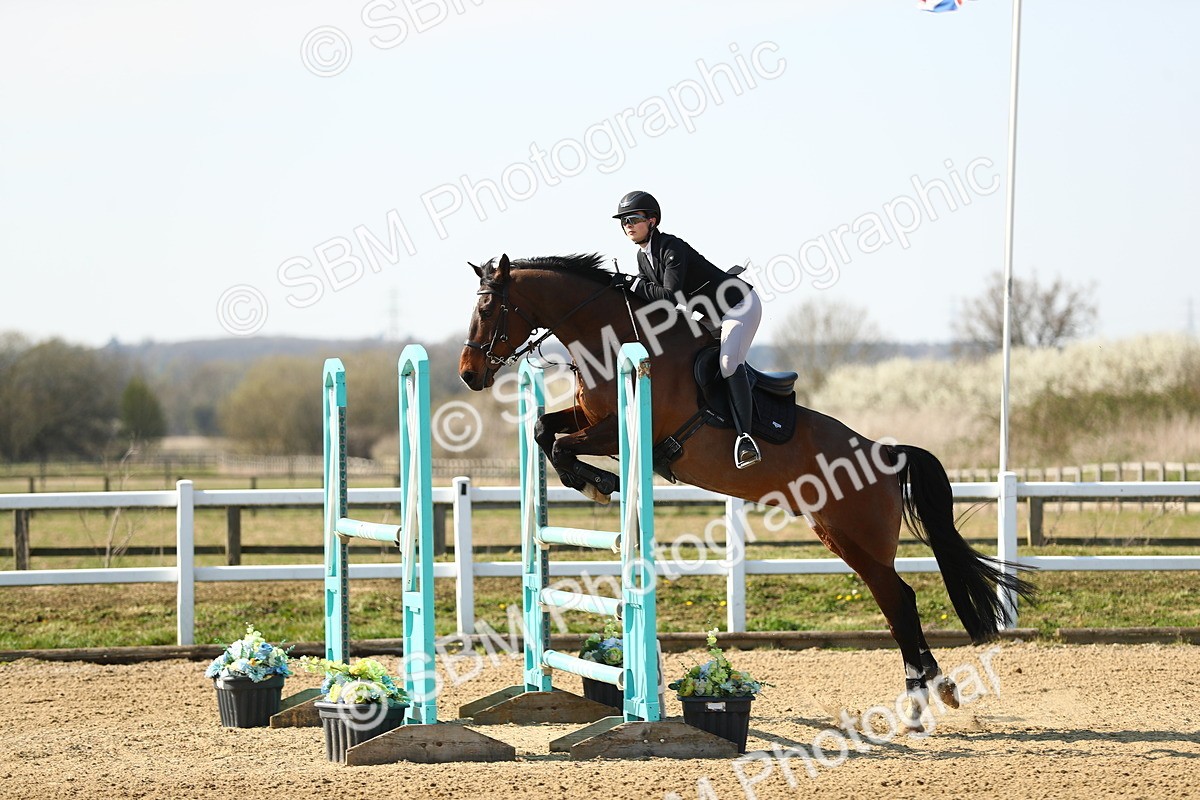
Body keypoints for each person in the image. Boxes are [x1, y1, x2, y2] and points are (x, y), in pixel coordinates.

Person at [611, 190, 764, 469]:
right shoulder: (643, 257)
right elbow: (655, 304)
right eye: (623, 221)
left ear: (653, 221)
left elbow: (671, 297)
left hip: (739, 306)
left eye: (633, 219)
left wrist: (632, 284)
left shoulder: (671, 247)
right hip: (710, 315)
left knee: (729, 363)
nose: (627, 225)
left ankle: (745, 438)